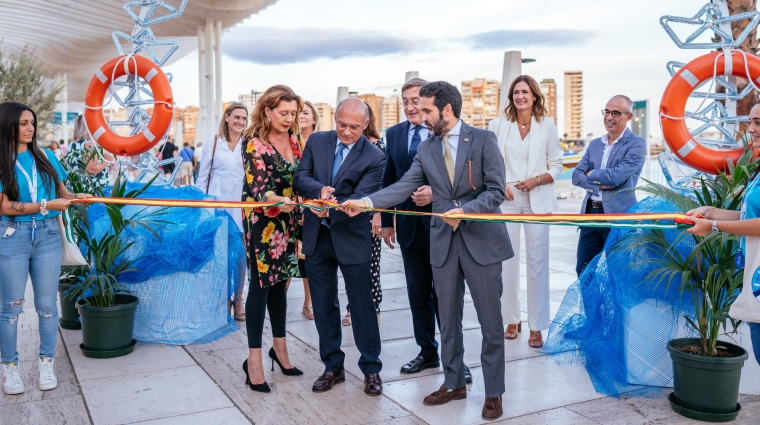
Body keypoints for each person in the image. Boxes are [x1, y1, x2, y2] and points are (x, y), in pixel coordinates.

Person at [342, 81, 512, 420]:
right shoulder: (428, 148)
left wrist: (463, 210)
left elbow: (495, 192)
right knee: (448, 320)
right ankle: (453, 383)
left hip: (482, 243)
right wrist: (366, 203)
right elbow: (404, 185)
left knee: (490, 323)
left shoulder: (483, 140)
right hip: (443, 245)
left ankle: (493, 392)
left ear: (446, 110)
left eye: (428, 109)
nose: (421, 114)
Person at [294, 97, 385, 396]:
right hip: (317, 237)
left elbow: (364, 195)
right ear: (335, 119)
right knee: (323, 304)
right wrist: (318, 192)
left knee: (362, 306)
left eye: (353, 127)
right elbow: (300, 178)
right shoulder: (317, 141)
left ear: (366, 125)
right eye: (341, 124)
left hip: (352, 236)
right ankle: (332, 367)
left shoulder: (374, 156)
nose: (346, 131)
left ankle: (371, 369)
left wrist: (330, 207)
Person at [0, 102, 92, 395]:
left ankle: (45, 362)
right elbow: (3, 206)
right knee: (11, 308)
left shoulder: (47, 155)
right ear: (8, 125)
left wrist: (77, 196)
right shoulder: (2, 160)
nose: (30, 128)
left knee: (47, 308)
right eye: (24, 123)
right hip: (13, 235)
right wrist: (44, 206)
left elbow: (62, 191)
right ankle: (10, 369)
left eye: (32, 123)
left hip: (49, 236)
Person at [380, 77, 469, 380]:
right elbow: (390, 179)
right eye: (404, 101)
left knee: (447, 292)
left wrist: (435, 192)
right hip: (408, 225)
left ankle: (455, 358)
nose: (409, 106)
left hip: (444, 223)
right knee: (418, 292)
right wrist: (385, 219)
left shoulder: (444, 130)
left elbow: (460, 177)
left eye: (415, 100)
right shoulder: (393, 134)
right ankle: (427, 352)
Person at [487, 75, 564, 349]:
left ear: (534, 96)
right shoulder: (497, 125)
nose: (520, 96)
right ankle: (511, 319)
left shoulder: (547, 125)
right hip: (506, 200)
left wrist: (538, 179)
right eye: (516, 92)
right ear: (511, 97)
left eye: (525, 92)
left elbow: (557, 164)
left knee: (538, 264)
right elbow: (490, 162)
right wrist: (498, 184)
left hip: (538, 199)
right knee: (507, 263)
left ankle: (536, 327)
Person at [686, 101, 760, 368]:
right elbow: (750, 218)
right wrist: (713, 212)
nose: (750, 129)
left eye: (758, 123)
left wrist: (714, 228)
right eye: (751, 121)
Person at [241, 85, 304, 393]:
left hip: (289, 222)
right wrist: (280, 201)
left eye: (293, 113)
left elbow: (303, 176)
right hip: (263, 223)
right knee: (260, 286)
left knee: (281, 284)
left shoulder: (296, 138)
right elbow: (258, 188)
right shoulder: (254, 143)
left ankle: (279, 350)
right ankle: (253, 360)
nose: (289, 119)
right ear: (267, 110)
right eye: (283, 113)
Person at [572, 95, 646, 276]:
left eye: (615, 113)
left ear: (628, 117)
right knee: (584, 271)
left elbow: (616, 176)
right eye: (606, 112)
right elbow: (576, 175)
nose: (609, 117)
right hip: (590, 215)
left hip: (618, 217)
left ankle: (613, 306)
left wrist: (591, 174)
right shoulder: (596, 144)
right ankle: (592, 306)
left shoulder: (637, 144)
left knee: (617, 273)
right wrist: (597, 186)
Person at [196, 102, 249, 321]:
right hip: (217, 203)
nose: (240, 122)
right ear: (226, 118)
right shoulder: (213, 143)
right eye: (237, 117)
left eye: (244, 119)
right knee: (220, 253)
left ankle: (238, 299)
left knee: (240, 256)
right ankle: (222, 298)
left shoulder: (249, 145)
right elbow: (202, 178)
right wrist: (200, 207)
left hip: (241, 204)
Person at [343, 102, 384, 326]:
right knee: (353, 266)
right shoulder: (345, 146)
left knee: (372, 263)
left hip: (371, 214)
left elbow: (384, 185)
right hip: (350, 211)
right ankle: (352, 308)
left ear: (366, 121)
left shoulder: (378, 147)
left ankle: (374, 306)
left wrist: (378, 214)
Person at [295, 101, 321, 320]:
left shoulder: (320, 142)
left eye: (305, 113)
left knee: (307, 257)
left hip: (311, 206)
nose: (301, 116)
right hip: (289, 204)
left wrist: (308, 207)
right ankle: (278, 301)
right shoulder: (290, 141)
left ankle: (308, 303)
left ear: (314, 118)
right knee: (286, 254)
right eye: (298, 113)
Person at [63, 115, 115, 192]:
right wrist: (107, 160)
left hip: (77, 188)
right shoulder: (90, 144)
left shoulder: (72, 144)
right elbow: (90, 170)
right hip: (92, 191)